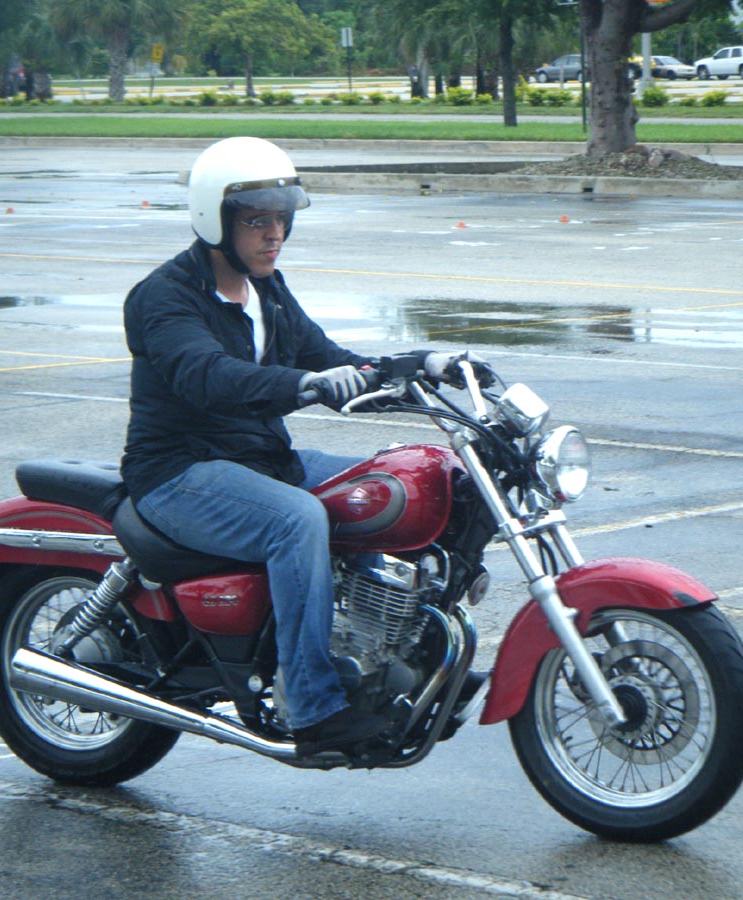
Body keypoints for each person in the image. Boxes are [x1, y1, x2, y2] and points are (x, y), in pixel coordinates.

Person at [120, 137, 469, 757]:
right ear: (215, 219)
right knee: (298, 520)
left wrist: (419, 366)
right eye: (258, 220)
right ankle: (311, 707)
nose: (275, 233)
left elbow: (331, 358)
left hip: (261, 461)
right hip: (180, 471)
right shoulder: (165, 296)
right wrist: (303, 384)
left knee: (388, 486)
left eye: (282, 218)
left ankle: (398, 661)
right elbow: (206, 375)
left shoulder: (268, 290)